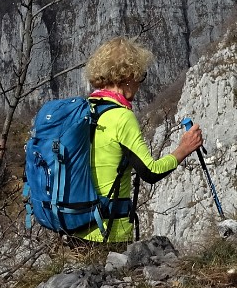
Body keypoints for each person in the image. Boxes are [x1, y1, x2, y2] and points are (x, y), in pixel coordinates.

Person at [79, 37, 202, 244]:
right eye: (140, 76)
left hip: (75, 226)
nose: (139, 84)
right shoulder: (120, 116)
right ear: (128, 76)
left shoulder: (85, 110)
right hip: (108, 232)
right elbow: (150, 172)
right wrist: (184, 148)